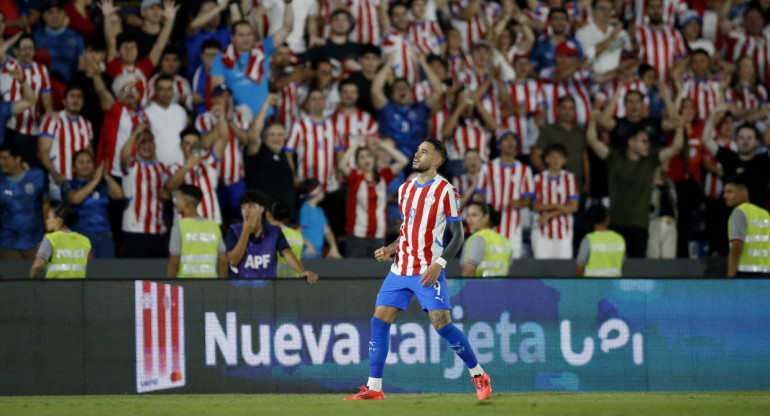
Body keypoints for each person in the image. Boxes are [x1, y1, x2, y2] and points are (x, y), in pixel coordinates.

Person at [344, 139, 491, 401]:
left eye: (424, 152)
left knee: (442, 325)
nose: (417, 154)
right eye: (417, 150)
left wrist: (439, 264)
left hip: (427, 269)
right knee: (379, 321)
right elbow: (408, 230)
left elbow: (457, 235)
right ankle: (374, 388)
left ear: (436, 160)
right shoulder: (405, 189)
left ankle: (478, 374)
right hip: (400, 269)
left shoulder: (446, 190)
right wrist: (391, 248)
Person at [586, 108, 685, 257]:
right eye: (644, 141)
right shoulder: (614, 157)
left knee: (636, 272)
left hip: (640, 227)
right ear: (631, 142)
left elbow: (676, 147)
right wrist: (593, 121)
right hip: (616, 225)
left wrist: (679, 126)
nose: (648, 145)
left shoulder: (651, 159)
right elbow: (592, 141)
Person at [225, 189, 319, 281]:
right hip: (242, 289)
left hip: (268, 290)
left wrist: (302, 272)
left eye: (251, 206)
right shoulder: (233, 231)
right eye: (243, 207)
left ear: (261, 209)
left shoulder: (275, 232)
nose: (246, 211)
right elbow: (233, 261)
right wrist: (245, 232)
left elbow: (287, 253)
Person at [339, 135, 408, 257]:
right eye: (361, 157)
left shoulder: (383, 175)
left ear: (374, 158)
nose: (366, 159)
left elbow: (404, 161)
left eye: (368, 156)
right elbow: (341, 165)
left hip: (379, 235)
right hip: (356, 235)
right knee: (356, 272)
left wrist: (382, 144)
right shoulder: (355, 177)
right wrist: (355, 145)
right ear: (357, 162)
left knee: (376, 274)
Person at [474, 131, 534, 259]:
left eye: (513, 139)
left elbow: (529, 200)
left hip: (514, 228)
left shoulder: (524, 170)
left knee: (513, 264)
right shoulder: (488, 167)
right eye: (506, 139)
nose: (510, 142)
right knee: (491, 260)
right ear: (499, 145)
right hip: (492, 227)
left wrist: (521, 203)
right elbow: (479, 197)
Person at [62, 150, 123, 259]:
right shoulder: (69, 185)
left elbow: (119, 195)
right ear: (73, 168)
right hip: (81, 234)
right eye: (81, 162)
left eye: (89, 161)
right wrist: (95, 181)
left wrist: (106, 176)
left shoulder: (102, 185)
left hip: (105, 235)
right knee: (87, 273)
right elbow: (74, 199)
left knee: (108, 273)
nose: (85, 165)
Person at [37, 85, 94, 201]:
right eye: (72, 96)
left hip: (81, 185)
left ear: (83, 102)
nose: (76, 100)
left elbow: (90, 152)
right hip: (60, 183)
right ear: (64, 101)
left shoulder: (86, 124)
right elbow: (41, 151)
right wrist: (55, 174)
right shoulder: (53, 120)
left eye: (79, 97)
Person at [119, 125, 169, 258]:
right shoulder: (132, 165)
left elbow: (167, 193)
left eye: (150, 141)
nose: (147, 145)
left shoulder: (161, 168)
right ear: (136, 146)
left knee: (158, 276)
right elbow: (123, 157)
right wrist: (135, 133)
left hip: (158, 230)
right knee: (136, 274)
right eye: (143, 142)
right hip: (135, 229)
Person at [165, 126, 227, 225]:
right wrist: (187, 167)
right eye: (188, 143)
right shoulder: (174, 168)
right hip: (185, 225)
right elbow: (170, 186)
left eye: (195, 143)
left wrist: (221, 117)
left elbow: (224, 137)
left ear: (200, 144)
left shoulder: (208, 162)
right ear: (181, 146)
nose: (192, 147)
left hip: (209, 223)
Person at [0, 141, 49, 259]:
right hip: (8, 244)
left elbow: (46, 203)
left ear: (17, 159)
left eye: (5, 158)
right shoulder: (1, 183)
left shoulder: (37, 176)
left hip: (34, 242)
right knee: (10, 277)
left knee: (36, 276)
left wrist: (48, 232)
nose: (1, 162)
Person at [167, 184, 227, 278]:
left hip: (186, 284)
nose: (175, 203)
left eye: (178, 199)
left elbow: (174, 262)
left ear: (186, 203)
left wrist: (170, 287)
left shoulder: (179, 227)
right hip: (210, 284)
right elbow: (223, 261)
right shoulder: (214, 227)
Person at [531, 144, 579, 259]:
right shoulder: (538, 179)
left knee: (563, 268)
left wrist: (549, 215)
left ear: (564, 160)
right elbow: (535, 206)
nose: (556, 160)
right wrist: (558, 205)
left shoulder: (570, 178)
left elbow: (573, 207)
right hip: (541, 231)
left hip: (564, 231)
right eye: (553, 156)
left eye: (559, 157)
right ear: (547, 159)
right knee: (541, 267)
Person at [724, 176, 770, 277]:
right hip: (766, 273)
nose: (725, 196)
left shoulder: (739, 212)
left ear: (743, 193)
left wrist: (730, 278)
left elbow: (736, 248)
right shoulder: (765, 213)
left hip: (746, 274)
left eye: (729, 192)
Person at [29, 203, 91, 278]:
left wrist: (31, 285)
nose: (46, 221)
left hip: (55, 287)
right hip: (79, 287)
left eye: (49, 217)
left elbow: (37, 266)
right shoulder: (84, 240)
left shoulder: (50, 239)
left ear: (58, 220)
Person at [32, 0, 84, 83]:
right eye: (50, 12)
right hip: (41, 86)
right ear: (43, 16)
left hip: (70, 88)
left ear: (64, 14)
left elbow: (82, 67)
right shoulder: (34, 37)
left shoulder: (76, 37)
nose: (54, 16)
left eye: (58, 12)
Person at [460, 201, 512, 277]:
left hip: (480, 286)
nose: (469, 219)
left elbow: (468, 272)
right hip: (501, 287)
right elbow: (508, 270)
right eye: (468, 215)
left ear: (485, 218)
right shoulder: (505, 241)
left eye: (474, 215)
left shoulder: (477, 238)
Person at [297, 178, 343, 259]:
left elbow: (327, 232)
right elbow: (297, 232)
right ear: (315, 193)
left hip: (318, 254)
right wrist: (308, 245)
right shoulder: (305, 209)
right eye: (321, 189)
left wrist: (333, 247)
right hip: (306, 253)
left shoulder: (320, 211)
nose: (323, 192)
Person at [576, 204, 626, 277]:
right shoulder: (619, 238)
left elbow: (579, 267)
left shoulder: (588, 239)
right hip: (614, 285)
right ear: (607, 219)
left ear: (590, 220)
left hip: (592, 285)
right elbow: (622, 264)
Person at [266, 198, 304, 278]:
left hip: (273, 282)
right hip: (294, 279)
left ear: (268, 215)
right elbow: (299, 258)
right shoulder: (297, 234)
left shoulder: (267, 234)